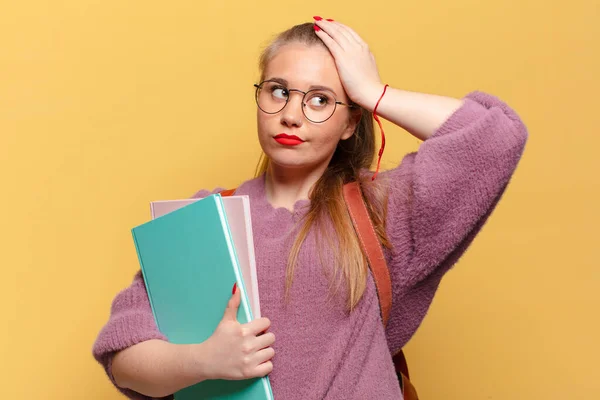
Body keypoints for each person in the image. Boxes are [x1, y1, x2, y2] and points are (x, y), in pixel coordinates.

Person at [92, 17, 528, 400]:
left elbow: (496, 136)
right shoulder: (203, 218)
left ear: (350, 122)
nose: (291, 115)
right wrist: (203, 361)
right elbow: (124, 355)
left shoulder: (383, 210)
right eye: (278, 91)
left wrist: (374, 93)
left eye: (320, 99)